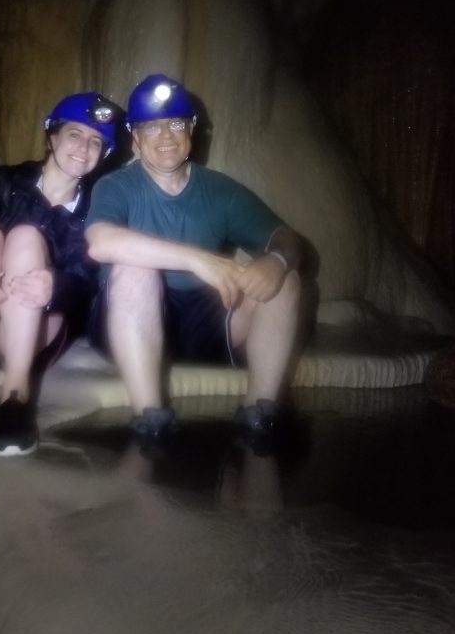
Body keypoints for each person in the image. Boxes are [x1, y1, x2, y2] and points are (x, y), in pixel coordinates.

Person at [85, 73, 302, 449]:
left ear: (192, 128)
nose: (166, 136)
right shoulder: (116, 186)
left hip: (204, 322)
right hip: (126, 321)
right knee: (134, 270)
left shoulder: (221, 190)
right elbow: (100, 242)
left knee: (286, 280)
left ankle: (260, 415)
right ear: (135, 137)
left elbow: (285, 238)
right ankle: (150, 420)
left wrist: (278, 261)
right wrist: (198, 260)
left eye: (175, 123)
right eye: (152, 127)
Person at [0, 92, 123, 459]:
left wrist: (56, 286)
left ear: (103, 154)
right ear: (52, 138)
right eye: (75, 134)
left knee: (26, 238)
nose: (84, 148)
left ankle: (16, 395)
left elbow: (88, 282)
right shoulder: (4, 182)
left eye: (96, 141)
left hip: (33, 336)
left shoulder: (96, 209)